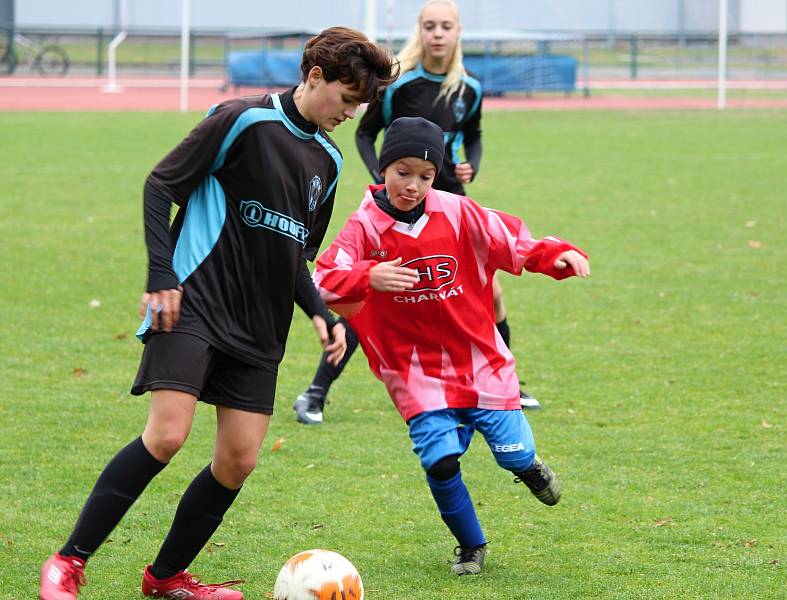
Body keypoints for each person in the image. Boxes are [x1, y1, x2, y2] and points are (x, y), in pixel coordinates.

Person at [38, 27, 398, 600]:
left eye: (361, 106)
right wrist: (162, 275)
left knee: (237, 460)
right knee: (166, 436)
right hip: (194, 301)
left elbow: (294, 254)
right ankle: (67, 563)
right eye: (348, 99)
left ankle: (165, 578)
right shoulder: (241, 119)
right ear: (314, 77)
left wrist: (320, 314)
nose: (351, 113)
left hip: (259, 325)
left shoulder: (328, 162)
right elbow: (161, 185)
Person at [312, 117, 590, 575]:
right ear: (384, 168)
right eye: (402, 172)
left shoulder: (458, 212)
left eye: (425, 175)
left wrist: (555, 256)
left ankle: (528, 467)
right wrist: (368, 275)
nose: (413, 185)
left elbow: (514, 240)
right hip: (413, 371)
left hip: (479, 358)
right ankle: (471, 546)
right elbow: (320, 280)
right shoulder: (363, 227)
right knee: (440, 462)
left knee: (515, 455)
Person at [293, 0, 538, 427]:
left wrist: (470, 165)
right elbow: (367, 135)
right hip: (398, 208)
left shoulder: (469, 86)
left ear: (458, 32)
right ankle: (315, 391)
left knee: (490, 295)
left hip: (450, 203)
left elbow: (473, 135)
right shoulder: (398, 84)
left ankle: (504, 384)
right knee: (372, 294)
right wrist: (387, 177)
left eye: (446, 26)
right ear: (419, 31)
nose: (437, 34)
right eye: (430, 26)